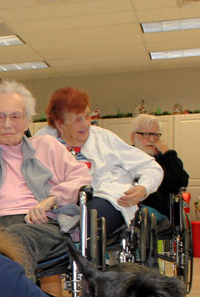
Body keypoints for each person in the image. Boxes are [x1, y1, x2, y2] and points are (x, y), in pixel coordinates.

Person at [0, 81, 91, 270]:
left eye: (15, 116)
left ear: (26, 121)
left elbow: (81, 178)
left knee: (10, 240)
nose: (7, 124)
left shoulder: (47, 146)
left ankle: (10, 288)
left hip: (41, 225)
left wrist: (51, 200)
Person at [38, 87, 162, 237]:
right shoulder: (43, 143)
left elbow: (150, 166)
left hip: (106, 198)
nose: (85, 124)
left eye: (87, 117)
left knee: (88, 221)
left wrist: (143, 188)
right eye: (77, 119)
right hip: (59, 202)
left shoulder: (104, 138)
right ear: (60, 123)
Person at [130, 114, 189, 222]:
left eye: (156, 135)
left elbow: (181, 182)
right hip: (133, 209)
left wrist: (166, 151)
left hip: (160, 214)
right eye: (146, 134)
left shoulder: (165, 159)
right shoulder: (126, 158)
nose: (152, 139)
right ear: (133, 137)